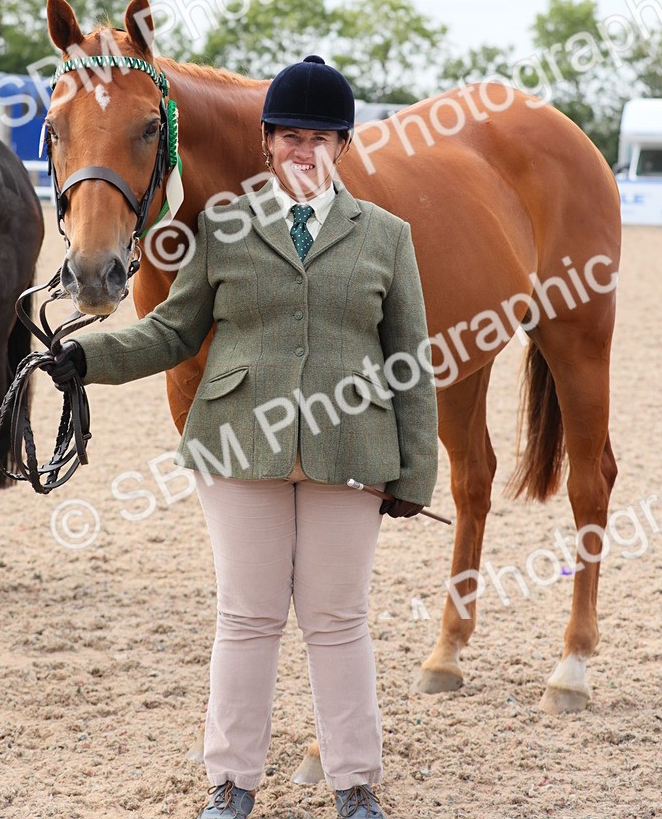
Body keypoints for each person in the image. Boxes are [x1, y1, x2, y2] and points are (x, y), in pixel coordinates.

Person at [50, 54, 439, 819]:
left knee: (338, 621)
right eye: (289, 136)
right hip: (237, 447)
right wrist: (83, 356)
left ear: (343, 148)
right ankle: (231, 782)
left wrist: (415, 473)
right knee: (247, 617)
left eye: (320, 138)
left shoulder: (386, 237)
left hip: (350, 451)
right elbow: (170, 330)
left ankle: (355, 783)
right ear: (266, 144)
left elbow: (409, 362)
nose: (304, 151)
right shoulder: (223, 228)